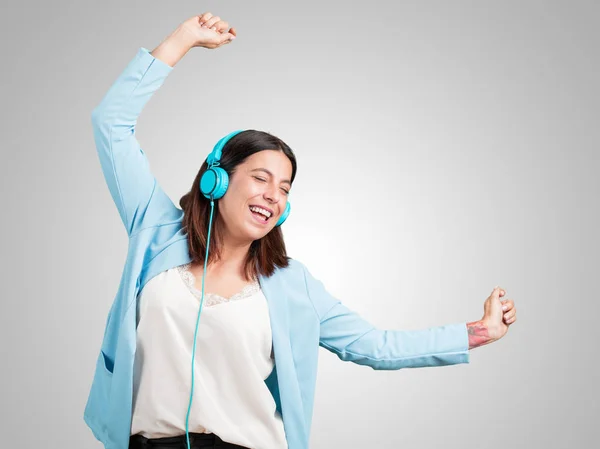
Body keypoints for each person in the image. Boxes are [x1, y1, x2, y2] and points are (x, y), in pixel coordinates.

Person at [83, 12, 518, 449]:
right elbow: (111, 125)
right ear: (216, 179)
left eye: (285, 188)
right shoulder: (155, 230)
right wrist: (183, 40)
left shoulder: (291, 285)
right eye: (260, 178)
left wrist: (480, 331)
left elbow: (376, 345)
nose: (274, 195)